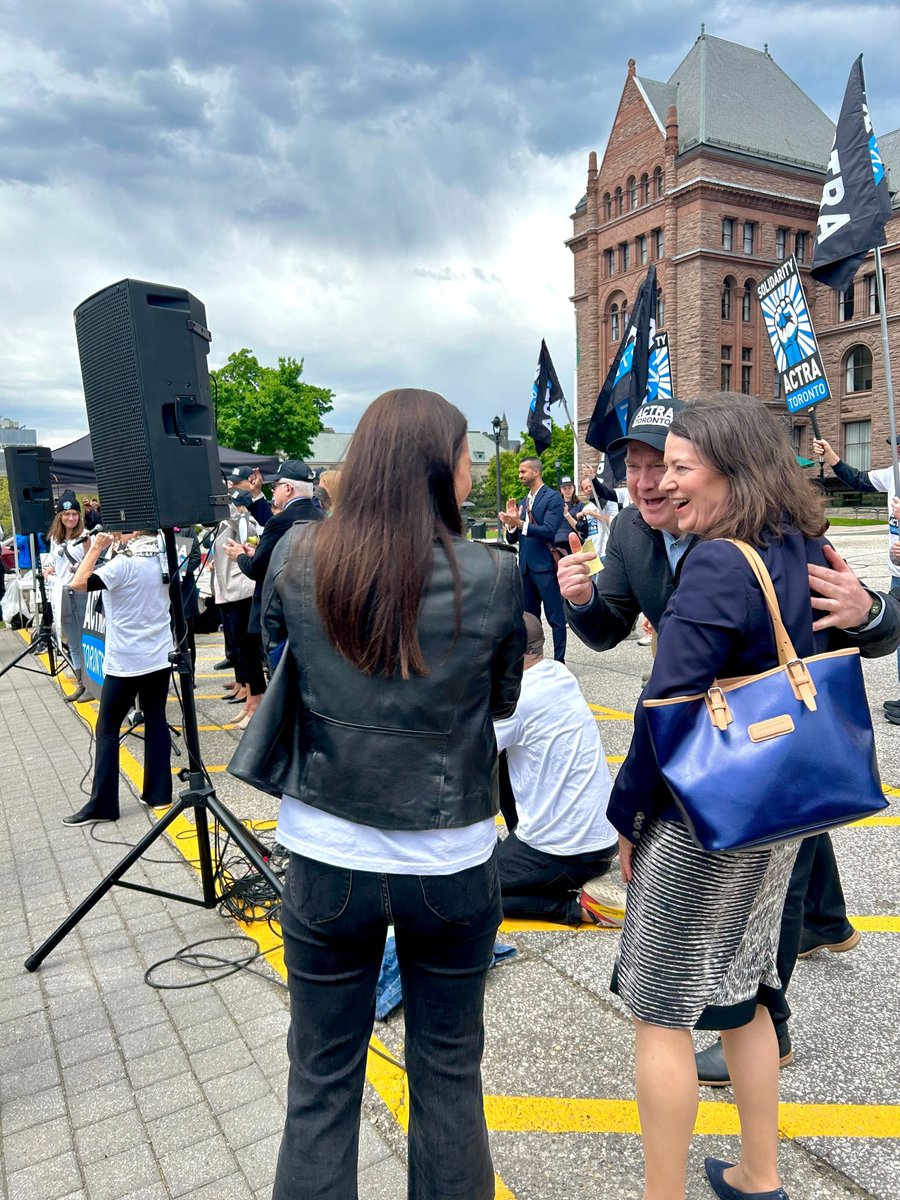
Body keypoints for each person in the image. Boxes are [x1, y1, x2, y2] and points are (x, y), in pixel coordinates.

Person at [561, 399, 900, 1087]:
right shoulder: (630, 532)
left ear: (717, 466)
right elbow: (607, 630)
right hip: (733, 740)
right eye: (639, 466)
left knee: (760, 898)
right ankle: (829, 924)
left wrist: (871, 613)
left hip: (777, 747)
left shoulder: (777, 535)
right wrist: (579, 601)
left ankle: (765, 1024)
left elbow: (873, 630)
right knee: (791, 857)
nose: (653, 480)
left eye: (670, 463)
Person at [259, 388, 525, 1200]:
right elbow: (504, 699)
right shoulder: (495, 573)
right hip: (448, 858)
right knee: (447, 1076)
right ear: (439, 468)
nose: (474, 466)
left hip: (325, 851)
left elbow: (279, 660)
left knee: (321, 1081)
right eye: (466, 452)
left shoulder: (297, 554)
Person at [494, 612, 621, 926]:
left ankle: (576, 907)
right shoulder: (558, 674)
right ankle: (516, 844)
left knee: (467, 892)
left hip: (567, 852)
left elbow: (462, 756)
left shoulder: (517, 701)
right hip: (602, 839)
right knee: (502, 760)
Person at [63, 530, 174, 825]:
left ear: (135, 532)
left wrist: (96, 548)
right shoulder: (164, 559)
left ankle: (103, 805)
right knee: (156, 720)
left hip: (126, 662)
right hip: (159, 656)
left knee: (108, 728)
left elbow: (77, 584)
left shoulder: (124, 565)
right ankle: (159, 794)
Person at [224, 460, 323, 726]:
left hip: (280, 612)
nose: (274, 492)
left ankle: (281, 726)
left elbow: (258, 569)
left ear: (288, 489)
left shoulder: (280, 522)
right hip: (312, 608)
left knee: (281, 676)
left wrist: (240, 557)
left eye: (277, 486)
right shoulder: (320, 518)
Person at [813, 434, 900, 718]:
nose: (897, 450)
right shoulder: (892, 475)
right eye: (896, 446)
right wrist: (831, 456)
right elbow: (859, 480)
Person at [499, 456, 566, 661]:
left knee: (556, 618)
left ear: (536, 472)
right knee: (529, 619)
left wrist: (520, 524)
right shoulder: (522, 501)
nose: (520, 476)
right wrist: (511, 525)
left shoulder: (553, 498)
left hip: (545, 567)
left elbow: (548, 531)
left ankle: (559, 660)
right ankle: (533, 660)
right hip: (526, 568)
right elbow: (513, 538)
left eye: (523, 472)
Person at [212, 491, 266, 725]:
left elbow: (250, 535)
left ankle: (256, 703)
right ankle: (250, 702)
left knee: (248, 650)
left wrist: (230, 504)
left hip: (242, 589)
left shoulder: (245, 520)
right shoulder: (225, 524)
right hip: (230, 592)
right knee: (242, 650)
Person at [44, 491, 90, 701]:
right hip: (61, 593)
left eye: (74, 514)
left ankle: (92, 684)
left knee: (86, 640)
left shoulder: (86, 536)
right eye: (66, 514)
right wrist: (52, 568)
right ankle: (81, 682)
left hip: (81, 593)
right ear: (60, 516)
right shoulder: (56, 538)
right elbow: (57, 562)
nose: (71, 518)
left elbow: (93, 564)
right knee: (72, 640)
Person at [553, 476, 584, 556]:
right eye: (564, 488)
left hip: (573, 544)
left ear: (574, 488)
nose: (567, 490)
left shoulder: (580, 506)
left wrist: (567, 514)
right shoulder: (554, 505)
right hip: (556, 544)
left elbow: (580, 529)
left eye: (569, 487)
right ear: (561, 490)